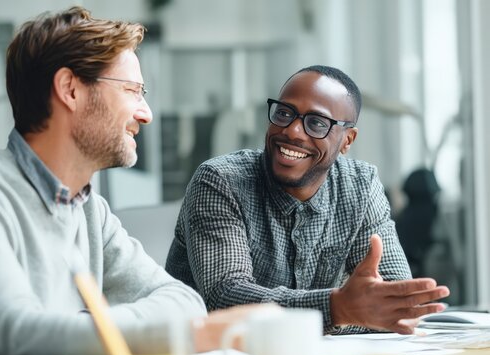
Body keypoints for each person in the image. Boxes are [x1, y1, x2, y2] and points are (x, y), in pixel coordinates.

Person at [0, 7, 267, 355]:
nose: (145, 113)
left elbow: (185, 302)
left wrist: (88, 328)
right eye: (132, 90)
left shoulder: (88, 210)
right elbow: (15, 337)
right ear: (70, 90)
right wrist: (193, 334)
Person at [166, 65, 450, 335]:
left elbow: (396, 306)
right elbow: (225, 298)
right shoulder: (220, 180)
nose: (291, 130)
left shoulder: (361, 186)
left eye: (316, 123)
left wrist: (348, 311)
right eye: (284, 113)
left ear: (347, 140)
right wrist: (338, 308)